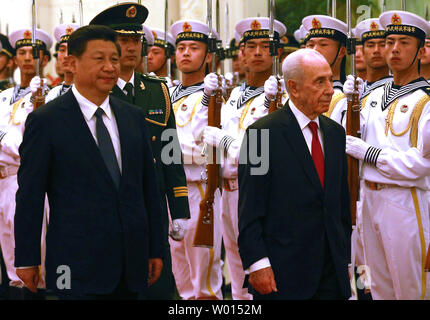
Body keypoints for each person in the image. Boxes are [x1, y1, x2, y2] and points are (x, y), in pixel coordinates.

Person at [14, 24, 164, 300]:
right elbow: (30, 196)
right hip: (74, 263)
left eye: (114, 59)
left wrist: (156, 248)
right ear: (72, 62)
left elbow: (148, 189)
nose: (109, 67)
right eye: (99, 59)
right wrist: (26, 258)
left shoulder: (133, 117)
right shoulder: (47, 121)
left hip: (131, 263)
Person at [89, 3, 190, 300]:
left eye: (135, 40)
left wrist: (180, 208)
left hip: (153, 206)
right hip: (109, 207)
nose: (131, 47)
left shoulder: (157, 90)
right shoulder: (96, 91)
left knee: (157, 287)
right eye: (122, 40)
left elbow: (170, 150)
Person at [238, 48, 352, 300]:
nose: (330, 90)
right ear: (294, 87)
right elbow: (249, 210)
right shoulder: (260, 134)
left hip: (331, 273)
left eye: (330, 80)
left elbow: (340, 205)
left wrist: (344, 256)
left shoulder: (335, 133)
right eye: (319, 82)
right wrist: (257, 263)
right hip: (282, 273)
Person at [345, 10, 430, 300]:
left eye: (404, 42)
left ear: (421, 49)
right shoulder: (370, 98)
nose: (393, 49)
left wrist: (370, 154)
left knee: (410, 288)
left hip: (404, 201)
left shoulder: (425, 100)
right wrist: (349, 106)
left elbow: (420, 165)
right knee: (378, 288)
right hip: (370, 199)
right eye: (389, 41)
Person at [202, 16, 286, 300]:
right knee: (237, 272)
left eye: (266, 46)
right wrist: (207, 100)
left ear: (276, 54)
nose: (259, 52)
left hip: (260, 191)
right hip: (227, 191)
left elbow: (259, 154)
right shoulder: (235, 94)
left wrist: (224, 141)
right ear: (242, 53)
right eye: (251, 46)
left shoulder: (281, 96)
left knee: (260, 265)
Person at [168, 19, 223, 300]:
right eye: (181, 47)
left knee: (204, 270)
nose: (186, 53)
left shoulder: (213, 95)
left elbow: (204, 145)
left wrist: (209, 99)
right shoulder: (166, 92)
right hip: (170, 189)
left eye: (194, 47)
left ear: (208, 56)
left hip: (199, 187)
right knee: (179, 267)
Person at [0, 27, 53, 300]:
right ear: (15, 59)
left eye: (34, 54)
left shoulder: (52, 96)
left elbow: (28, 145)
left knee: (33, 256)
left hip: (26, 177)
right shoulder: (4, 96)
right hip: (2, 180)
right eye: (21, 53)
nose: (27, 59)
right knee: (8, 257)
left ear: (44, 59)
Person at [303, 14, 347, 124]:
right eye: (310, 45)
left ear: (341, 51)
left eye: (323, 44)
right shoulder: (295, 94)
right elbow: (260, 137)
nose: (315, 50)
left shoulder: (347, 97)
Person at [45, 23, 79, 102]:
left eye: (71, 50)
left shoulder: (88, 91)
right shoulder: (52, 93)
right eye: (62, 50)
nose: (66, 55)